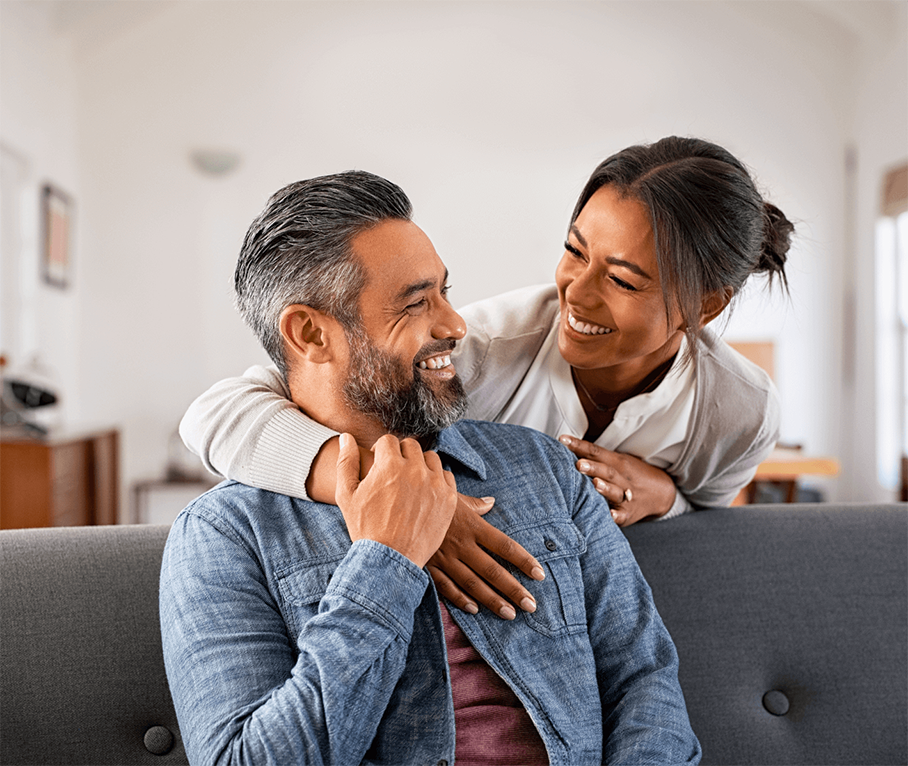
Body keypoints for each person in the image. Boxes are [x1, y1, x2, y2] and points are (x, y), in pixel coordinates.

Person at [159, 170, 701, 765]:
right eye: (417, 302)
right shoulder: (225, 535)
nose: (455, 324)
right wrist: (383, 564)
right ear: (310, 332)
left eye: (445, 292)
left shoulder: (546, 467)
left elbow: (644, 679)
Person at [180, 136, 793, 617]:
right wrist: (401, 498)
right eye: (575, 251)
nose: (575, 294)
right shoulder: (485, 347)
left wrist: (668, 499)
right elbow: (217, 414)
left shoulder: (739, 410)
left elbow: (712, 523)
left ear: (705, 306)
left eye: (623, 279)